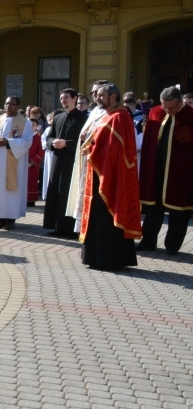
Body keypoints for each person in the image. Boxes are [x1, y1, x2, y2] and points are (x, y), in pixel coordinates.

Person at [80, 83, 141, 270]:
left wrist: (92, 149)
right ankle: (96, 256)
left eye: (101, 95)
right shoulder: (108, 115)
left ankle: (108, 259)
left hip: (111, 174)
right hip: (101, 171)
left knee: (106, 215)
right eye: (96, 95)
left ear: (113, 97)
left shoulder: (120, 117)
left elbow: (115, 148)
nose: (96, 98)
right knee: (97, 215)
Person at [137, 86, 193, 255]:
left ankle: (172, 246)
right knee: (154, 209)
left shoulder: (190, 116)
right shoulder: (155, 112)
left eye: (172, 107)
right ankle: (148, 242)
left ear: (180, 101)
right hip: (157, 171)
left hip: (181, 173)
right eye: (165, 106)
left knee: (178, 212)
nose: (168, 110)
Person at [0, 96, 34, 230]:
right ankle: (0, 218)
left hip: (14, 161)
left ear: (18, 107)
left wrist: (8, 143)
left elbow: (27, 141)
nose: (8, 106)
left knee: (11, 190)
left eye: (11, 104)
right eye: (6, 104)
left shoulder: (24, 122)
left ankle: (10, 220)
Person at [43, 88, 87, 237]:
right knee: (56, 190)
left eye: (66, 97)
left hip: (72, 162)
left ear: (75, 98)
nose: (63, 101)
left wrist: (67, 144)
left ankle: (69, 228)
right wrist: (53, 142)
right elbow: (48, 138)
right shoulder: (58, 117)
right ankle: (56, 226)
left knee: (69, 192)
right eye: (61, 98)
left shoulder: (83, 118)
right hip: (57, 160)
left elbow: (86, 141)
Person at [66, 82, 109, 232]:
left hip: (99, 161)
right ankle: (83, 226)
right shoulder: (95, 111)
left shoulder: (110, 112)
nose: (95, 96)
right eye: (93, 93)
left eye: (98, 92)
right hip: (85, 158)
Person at [27, 118, 44, 207]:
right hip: (22, 164)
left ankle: (30, 200)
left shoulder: (38, 138)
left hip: (32, 165)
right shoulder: (22, 136)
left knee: (32, 182)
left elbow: (40, 152)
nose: (31, 127)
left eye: (33, 125)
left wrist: (31, 163)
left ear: (37, 127)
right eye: (29, 125)